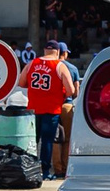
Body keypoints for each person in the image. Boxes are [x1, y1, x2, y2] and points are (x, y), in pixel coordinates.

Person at [24, 40, 77, 178]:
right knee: (47, 140)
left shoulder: (32, 63)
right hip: (52, 108)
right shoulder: (60, 65)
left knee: (32, 140)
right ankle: (45, 171)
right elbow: (71, 90)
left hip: (34, 108)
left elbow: (21, 82)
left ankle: (29, 168)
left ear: (44, 50)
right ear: (58, 52)